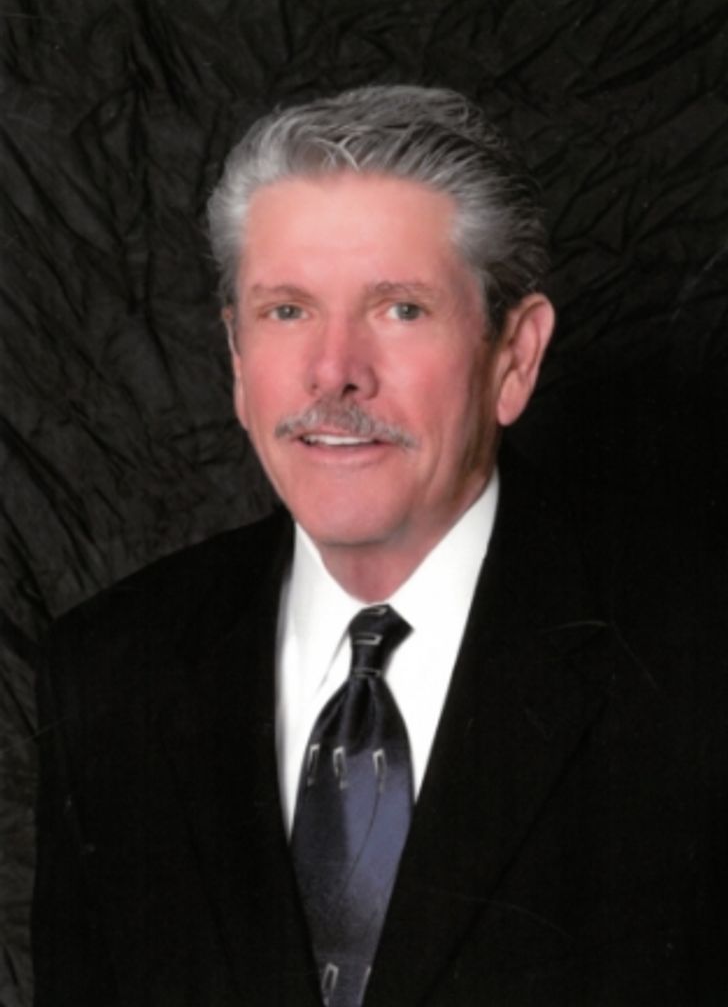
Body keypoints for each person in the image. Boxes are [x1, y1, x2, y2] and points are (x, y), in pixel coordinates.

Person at [32, 86, 727, 1006]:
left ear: (514, 357)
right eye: (287, 311)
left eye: (400, 309)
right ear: (236, 359)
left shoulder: (694, 666)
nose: (334, 372)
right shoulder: (111, 672)